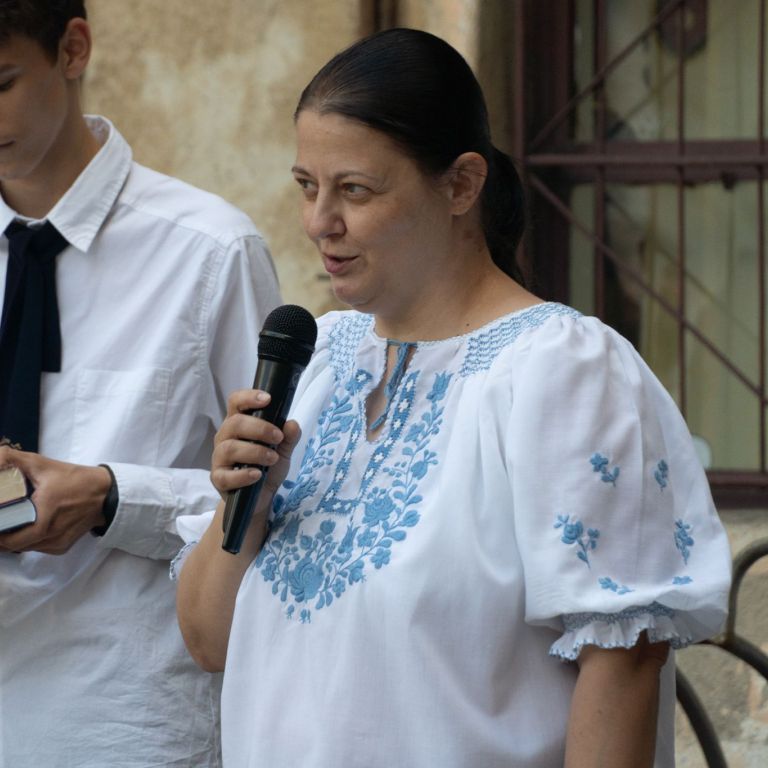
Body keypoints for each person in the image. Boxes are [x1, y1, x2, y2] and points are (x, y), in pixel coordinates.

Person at [175, 27, 732, 768]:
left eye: (355, 190)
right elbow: (210, 642)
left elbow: (623, 663)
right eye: (307, 186)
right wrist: (242, 503)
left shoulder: (562, 371)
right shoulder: (322, 360)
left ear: (462, 185)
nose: (318, 222)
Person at [0, 2, 281, 766]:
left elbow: (278, 504)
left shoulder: (211, 252)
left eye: (1, 83)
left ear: (73, 49)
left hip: (125, 723)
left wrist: (114, 496)